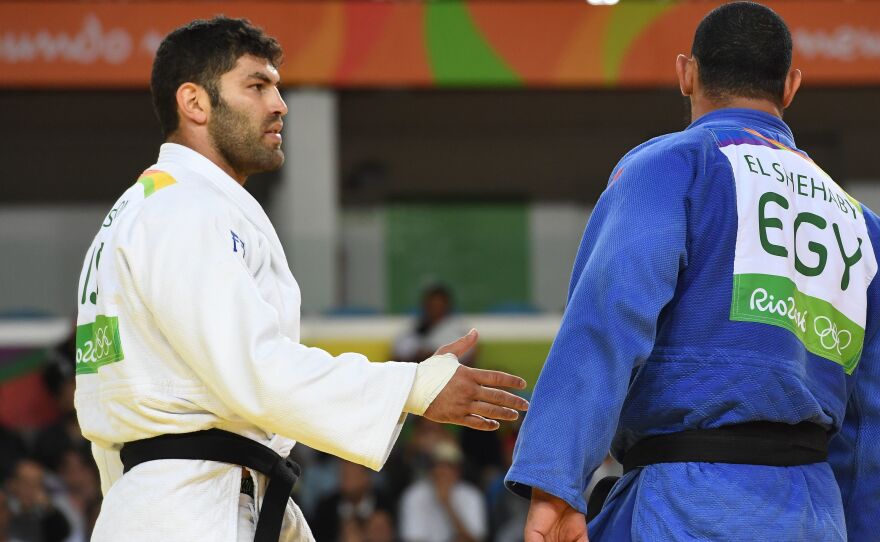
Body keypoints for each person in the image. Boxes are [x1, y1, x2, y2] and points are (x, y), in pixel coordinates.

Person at [73, 17, 528, 542]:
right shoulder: (183, 208)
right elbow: (255, 367)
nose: (279, 104)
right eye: (256, 85)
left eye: (277, 87)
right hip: (189, 509)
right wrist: (411, 385)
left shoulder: (148, 207)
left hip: (168, 498)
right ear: (194, 103)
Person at [505, 3, 880, 541]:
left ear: (687, 73)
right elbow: (870, 421)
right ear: (792, 85)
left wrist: (555, 480)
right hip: (815, 514)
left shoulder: (674, 167)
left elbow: (608, 320)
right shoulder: (860, 224)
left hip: (687, 507)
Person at [399, 441, 487, 542]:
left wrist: (447, 504)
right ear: (431, 469)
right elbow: (413, 538)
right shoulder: (414, 495)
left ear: (458, 471)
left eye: (449, 466)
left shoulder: (472, 495)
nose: (443, 471)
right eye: (439, 465)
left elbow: (475, 539)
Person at [393, 284, 475, 366]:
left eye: (439, 303)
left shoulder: (457, 327)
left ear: (447, 305)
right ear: (424, 305)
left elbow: (469, 357)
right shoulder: (414, 326)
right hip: (416, 372)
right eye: (431, 303)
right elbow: (397, 355)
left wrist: (435, 356)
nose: (435, 308)